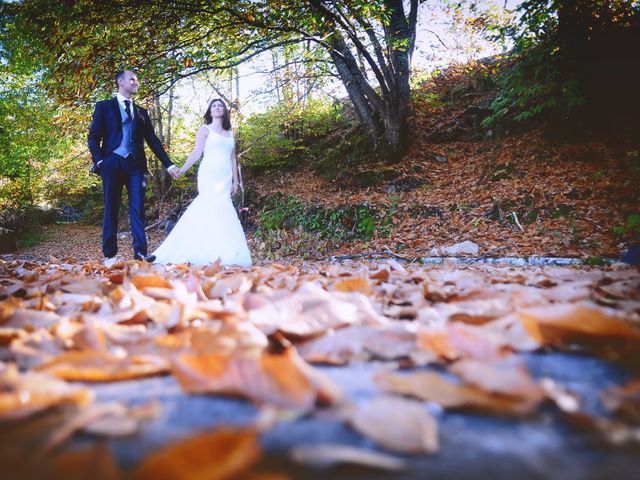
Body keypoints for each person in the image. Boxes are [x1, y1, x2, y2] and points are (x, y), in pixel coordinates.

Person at [88, 70, 179, 267]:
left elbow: (153, 141)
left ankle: (140, 253)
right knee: (111, 208)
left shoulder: (141, 112)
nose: (136, 82)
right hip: (111, 163)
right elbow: (93, 137)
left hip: (136, 165)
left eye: (138, 79)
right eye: (132, 79)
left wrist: (169, 164)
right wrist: (99, 162)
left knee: (138, 208)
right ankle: (110, 255)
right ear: (120, 81)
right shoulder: (104, 107)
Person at [151, 98, 252, 267]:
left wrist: (236, 181)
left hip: (225, 176)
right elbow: (197, 152)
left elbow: (233, 158)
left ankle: (222, 251)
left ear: (225, 111)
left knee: (223, 207)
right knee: (207, 205)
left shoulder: (230, 133)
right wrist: (182, 169)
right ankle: (194, 248)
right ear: (210, 111)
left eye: (220, 105)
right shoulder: (205, 129)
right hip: (209, 173)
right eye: (214, 106)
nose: (217, 107)